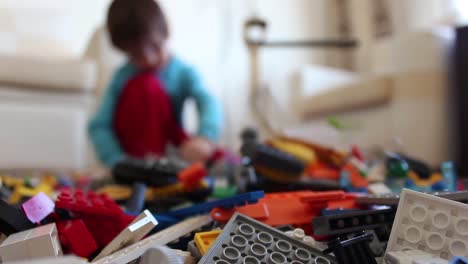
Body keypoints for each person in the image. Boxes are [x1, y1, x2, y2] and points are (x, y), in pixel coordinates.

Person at [88, 0, 223, 167]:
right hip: (135, 157)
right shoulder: (122, 77)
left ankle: (170, 165)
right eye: (136, 54)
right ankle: (152, 166)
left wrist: (204, 138)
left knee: (217, 157)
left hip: (171, 151)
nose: (148, 59)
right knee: (146, 85)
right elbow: (99, 125)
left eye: (154, 46)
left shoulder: (183, 72)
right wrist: (117, 161)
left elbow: (207, 101)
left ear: (166, 31)